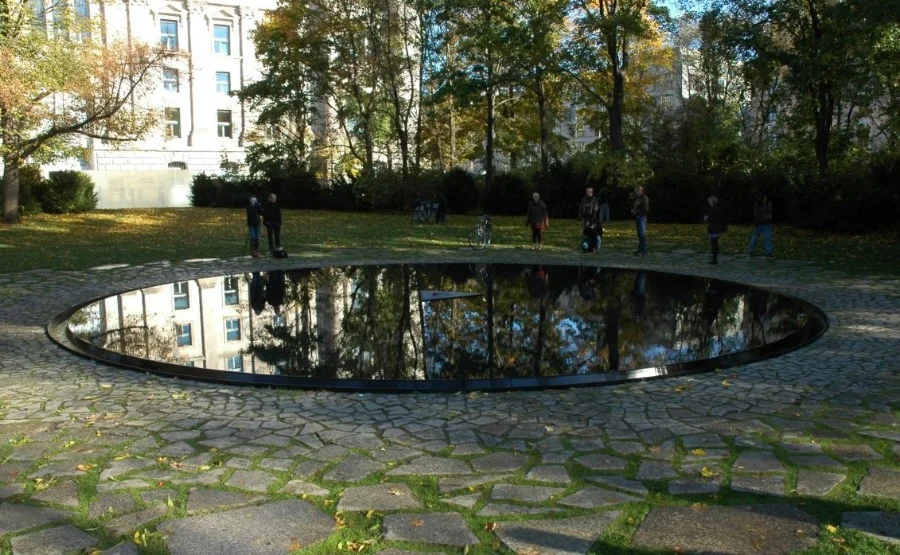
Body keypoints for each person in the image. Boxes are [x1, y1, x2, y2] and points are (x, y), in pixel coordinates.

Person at [748, 192, 774, 257]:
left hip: (766, 223)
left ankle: (768, 252)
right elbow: (756, 214)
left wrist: (769, 216)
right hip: (760, 223)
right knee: (755, 238)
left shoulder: (767, 203)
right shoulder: (758, 204)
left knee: (767, 238)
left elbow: (769, 212)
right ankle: (751, 250)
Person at [704, 195, 727, 264]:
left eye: (709, 201)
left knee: (714, 243)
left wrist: (706, 218)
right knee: (715, 243)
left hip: (713, 228)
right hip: (717, 227)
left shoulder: (713, 209)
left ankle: (714, 259)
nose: (708, 203)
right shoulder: (718, 208)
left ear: (711, 201)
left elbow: (711, 218)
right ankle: (715, 257)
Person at [631, 186, 649, 255]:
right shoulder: (637, 198)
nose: (636, 192)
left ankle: (642, 250)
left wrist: (637, 212)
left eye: (637, 191)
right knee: (640, 234)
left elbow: (646, 209)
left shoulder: (644, 198)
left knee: (642, 234)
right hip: (638, 216)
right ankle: (640, 249)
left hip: (642, 217)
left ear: (641, 190)